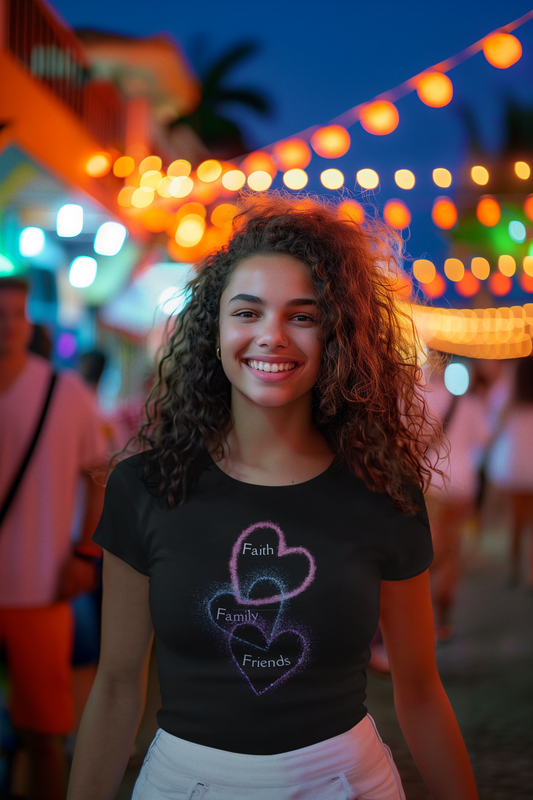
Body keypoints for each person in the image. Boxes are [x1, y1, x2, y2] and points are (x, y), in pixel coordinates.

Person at [68, 195, 478, 800]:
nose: (272, 336)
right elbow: (117, 686)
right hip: (183, 784)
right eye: (248, 312)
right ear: (214, 330)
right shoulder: (145, 487)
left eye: (303, 316)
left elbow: (418, 691)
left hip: (348, 783)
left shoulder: (384, 493)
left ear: (336, 334)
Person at [0, 277, 107, 800]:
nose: (6, 325)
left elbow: (99, 476)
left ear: (29, 323)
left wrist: (86, 554)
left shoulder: (65, 394)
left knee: (44, 732)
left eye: (15, 314)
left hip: (41, 590)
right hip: (38, 589)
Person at [423, 353, 491, 642]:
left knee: (427, 550)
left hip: (430, 482)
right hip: (464, 484)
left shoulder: (422, 398)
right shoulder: (471, 402)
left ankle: (417, 613)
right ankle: (444, 620)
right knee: (451, 550)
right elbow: (484, 440)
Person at [486, 355, 533, 588]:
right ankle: (532, 575)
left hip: (516, 465)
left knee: (516, 522)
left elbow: (494, 425)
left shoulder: (506, 396)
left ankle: (514, 569)